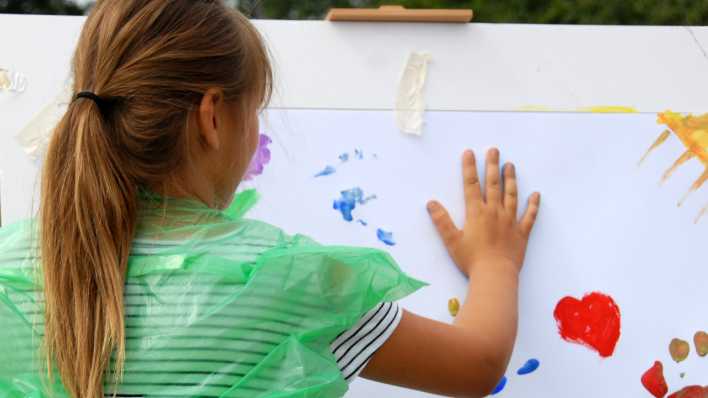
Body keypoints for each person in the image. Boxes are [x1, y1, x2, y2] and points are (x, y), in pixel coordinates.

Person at [0, 1, 541, 397]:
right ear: (212, 117)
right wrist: (494, 261)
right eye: (255, 108)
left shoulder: (10, 270)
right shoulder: (291, 283)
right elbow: (477, 366)